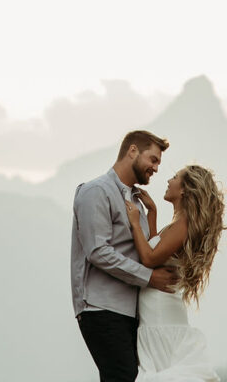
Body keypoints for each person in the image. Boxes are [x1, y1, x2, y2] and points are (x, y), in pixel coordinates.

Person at [71, 129, 179, 382]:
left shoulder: (137, 202)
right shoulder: (95, 191)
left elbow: (143, 252)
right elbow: (98, 251)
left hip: (130, 312)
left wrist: (151, 214)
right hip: (101, 307)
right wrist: (149, 277)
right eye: (153, 159)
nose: (155, 168)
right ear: (132, 151)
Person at [125, 164, 227, 381]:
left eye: (174, 177)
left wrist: (135, 223)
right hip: (160, 309)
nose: (169, 180)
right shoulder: (176, 224)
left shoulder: (183, 225)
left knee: (163, 372)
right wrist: (152, 214)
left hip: (160, 314)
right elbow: (156, 252)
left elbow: (149, 259)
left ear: (183, 190)